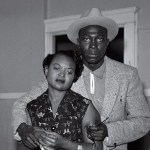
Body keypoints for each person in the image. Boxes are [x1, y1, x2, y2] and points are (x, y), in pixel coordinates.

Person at [12, 8, 150, 150]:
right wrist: (22, 128)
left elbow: (143, 121)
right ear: (78, 42)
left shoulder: (128, 75)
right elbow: (22, 103)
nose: (93, 45)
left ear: (107, 42)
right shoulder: (64, 74)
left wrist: (109, 131)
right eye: (86, 39)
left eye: (100, 39)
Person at [16, 50, 103, 150]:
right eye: (57, 68)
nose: (62, 74)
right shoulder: (32, 107)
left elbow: (96, 148)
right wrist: (34, 138)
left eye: (69, 72)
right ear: (46, 70)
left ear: (74, 77)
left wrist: (64, 144)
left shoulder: (85, 107)